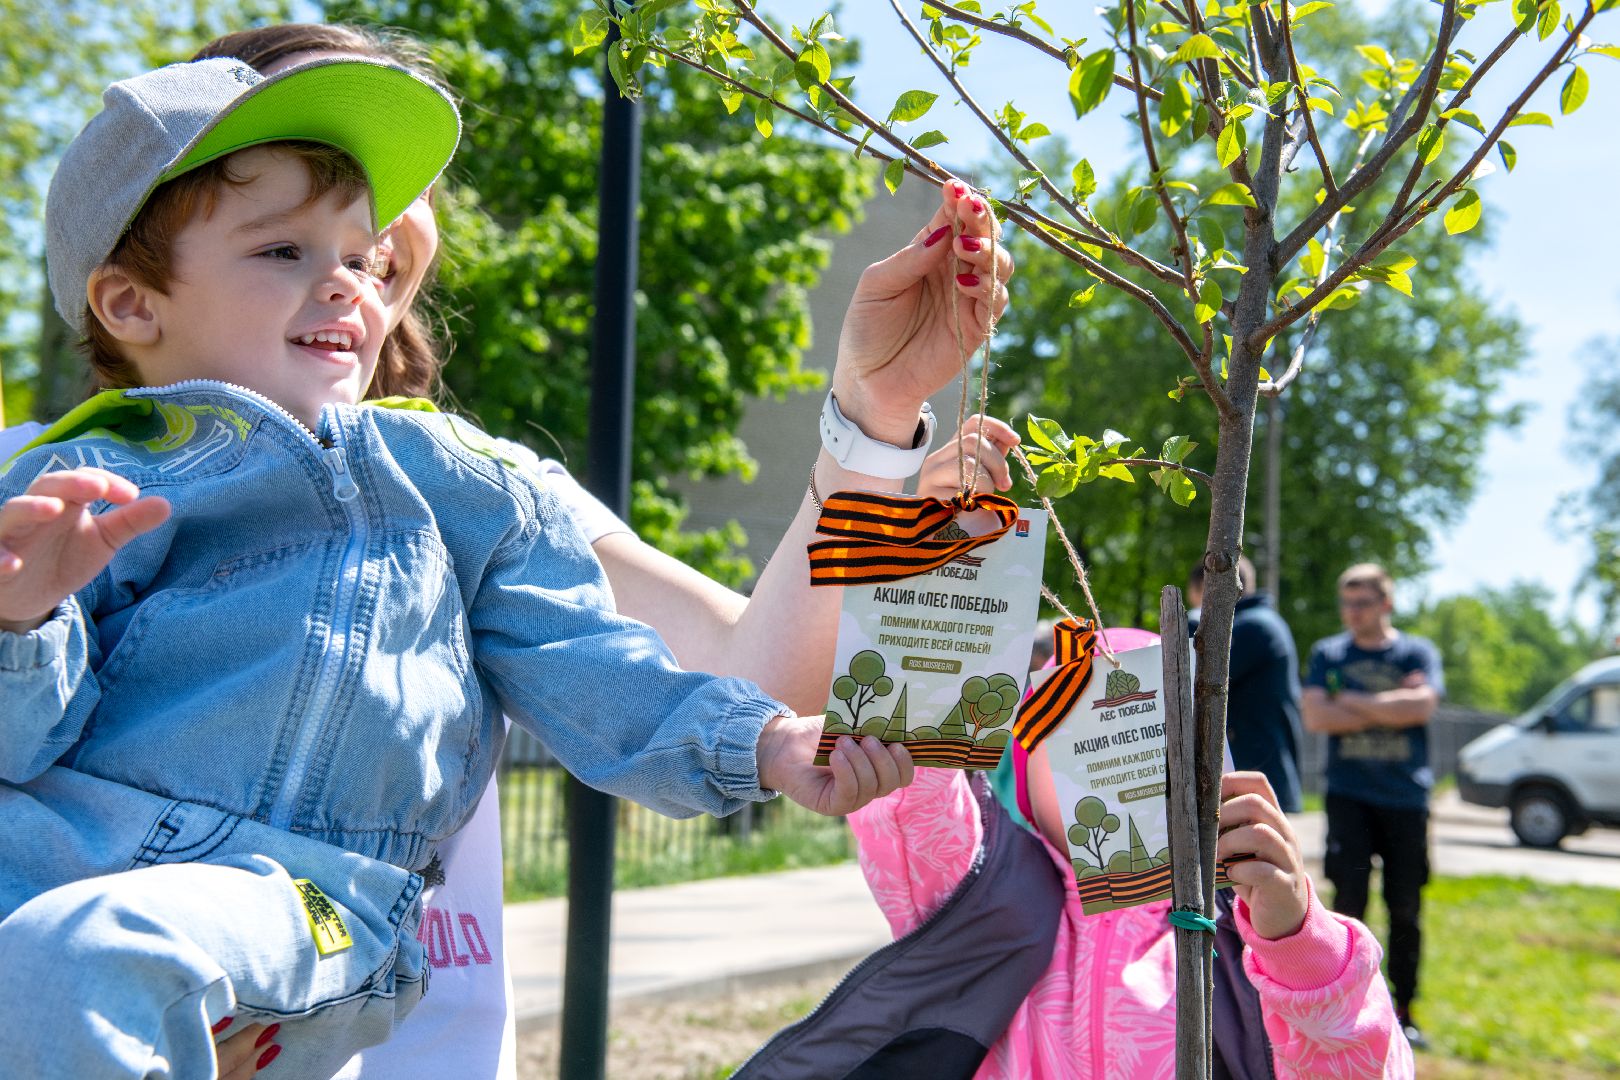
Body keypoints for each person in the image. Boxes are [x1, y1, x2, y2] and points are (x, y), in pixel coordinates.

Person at [0, 55, 943, 1078]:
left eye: (362, 257)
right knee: (63, 954)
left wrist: (760, 743)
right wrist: (18, 627)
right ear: (134, 306)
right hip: (58, 867)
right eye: (282, 248)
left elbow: (592, 664)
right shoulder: (78, 484)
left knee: (83, 954)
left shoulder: (463, 487)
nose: (346, 283)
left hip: (306, 894)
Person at [841, 626, 1413, 1078]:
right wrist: (954, 577)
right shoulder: (981, 903)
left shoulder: (1253, 945)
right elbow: (907, 794)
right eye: (1077, 736)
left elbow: (1358, 1065)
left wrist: (1298, 942)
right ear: (1023, 774)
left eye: (1158, 731)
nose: (1120, 766)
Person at [1301, 563, 1443, 1051]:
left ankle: (1405, 1011)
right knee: (1348, 904)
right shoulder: (1329, 653)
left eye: (1363, 602)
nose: (1353, 613)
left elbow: (1421, 707)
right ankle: (1349, 1006)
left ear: (1387, 603)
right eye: (1347, 602)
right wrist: (1391, 704)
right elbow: (1317, 715)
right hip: (1349, 798)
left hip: (1406, 800)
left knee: (1405, 908)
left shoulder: (1415, 651)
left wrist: (1352, 701)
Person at [1188, 555, 1305, 812]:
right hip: (1262, 767)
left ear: (1203, 589)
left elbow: (1195, 671)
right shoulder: (1262, 623)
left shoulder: (1252, 627)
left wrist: (1189, 626)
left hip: (1257, 771)